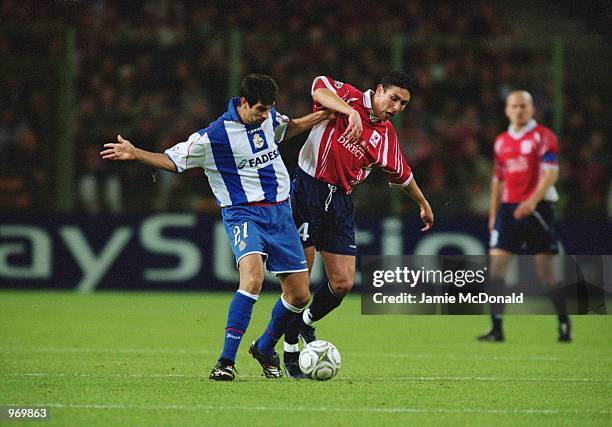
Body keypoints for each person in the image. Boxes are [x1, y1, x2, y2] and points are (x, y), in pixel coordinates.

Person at [101, 74, 330, 380]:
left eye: (269, 109)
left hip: (280, 213)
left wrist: (321, 116)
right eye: (260, 109)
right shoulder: (214, 137)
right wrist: (135, 153)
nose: (265, 115)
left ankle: (263, 347)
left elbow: (285, 128)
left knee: (300, 295)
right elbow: (173, 160)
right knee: (252, 279)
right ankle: (225, 361)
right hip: (243, 215)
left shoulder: (268, 116)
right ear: (244, 102)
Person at [282, 72, 434, 377]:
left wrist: (422, 202)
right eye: (393, 98)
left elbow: (403, 175)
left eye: (403, 103)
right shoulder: (349, 97)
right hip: (307, 190)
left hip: (340, 202)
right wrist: (349, 111)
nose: (396, 107)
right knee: (302, 285)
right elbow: (317, 86)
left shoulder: (386, 136)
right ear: (379, 91)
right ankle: (288, 352)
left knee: (342, 283)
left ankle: (304, 324)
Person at [478, 90, 571, 342]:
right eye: (514, 106)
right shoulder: (501, 141)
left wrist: (531, 201)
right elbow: (498, 179)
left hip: (539, 209)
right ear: (507, 110)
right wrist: (494, 211)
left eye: (523, 106)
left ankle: (564, 323)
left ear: (532, 109)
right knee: (496, 268)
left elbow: (551, 174)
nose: (519, 110)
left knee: (545, 273)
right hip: (508, 210)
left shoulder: (544, 137)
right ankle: (496, 329)